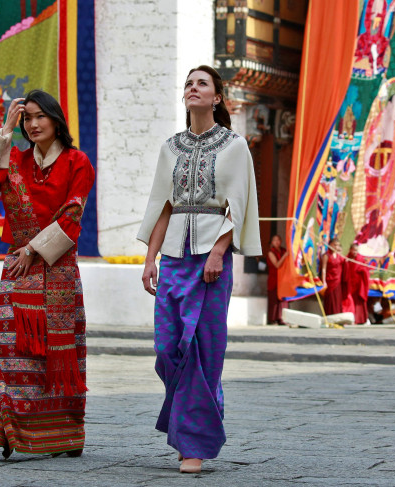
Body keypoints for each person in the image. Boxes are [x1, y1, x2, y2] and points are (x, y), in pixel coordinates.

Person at [138, 65, 261, 474]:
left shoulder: (234, 146)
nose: (193, 88)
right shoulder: (170, 147)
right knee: (167, 348)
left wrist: (217, 251)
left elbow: (238, 206)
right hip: (173, 256)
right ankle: (191, 423)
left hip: (211, 261)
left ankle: (193, 443)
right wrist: (149, 259)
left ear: (217, 98)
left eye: (201, 83)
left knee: (203, 349)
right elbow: (162, 205)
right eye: (188, 83)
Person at [0, 90, 95, 461]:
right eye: (26, 118)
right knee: (10, 353)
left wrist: (33, 251)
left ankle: (64, 433)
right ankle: (2, 431)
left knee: (55, 358)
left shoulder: (78, 162)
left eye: (38, 116)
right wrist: (6, 129)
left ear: (56, 120)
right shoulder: (17, 159)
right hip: (18, 272)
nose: (32, 124)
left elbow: (73, 216)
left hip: (56, 269)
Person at [346, 243, 371, 325]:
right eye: (353, 250)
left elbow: (366, 270)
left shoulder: (361, 259)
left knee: (358, 302)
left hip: (359, 285)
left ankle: (360, 319)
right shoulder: (347, 258)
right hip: (349, 283)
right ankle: (351, 318)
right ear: (350, 250)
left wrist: (362, 270)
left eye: (356, 250)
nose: (355, 252)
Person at [266, 235, 287, 325]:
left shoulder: (283, 250)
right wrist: (285, 256)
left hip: (283, 279)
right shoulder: (271, 253)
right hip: (274, 278)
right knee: (274, 300)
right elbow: (277, 265)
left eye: (278, 239)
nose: (277, 242)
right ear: (272, 242)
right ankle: (272, 319)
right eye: (274, 240)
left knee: (283, 300)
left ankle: (282, 319)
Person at [321, 238, 345, 316]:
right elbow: (324, 269)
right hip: (330, 280)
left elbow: (344, 264)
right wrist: (324, 281)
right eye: (334, 245)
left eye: (338, 245)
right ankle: (329, 316)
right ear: (330, 245)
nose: (336, 247)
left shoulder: (339, 255)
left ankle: (337, 315)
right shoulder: (326, 255)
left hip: (338, 281)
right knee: (330, 300)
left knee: (337, 299)